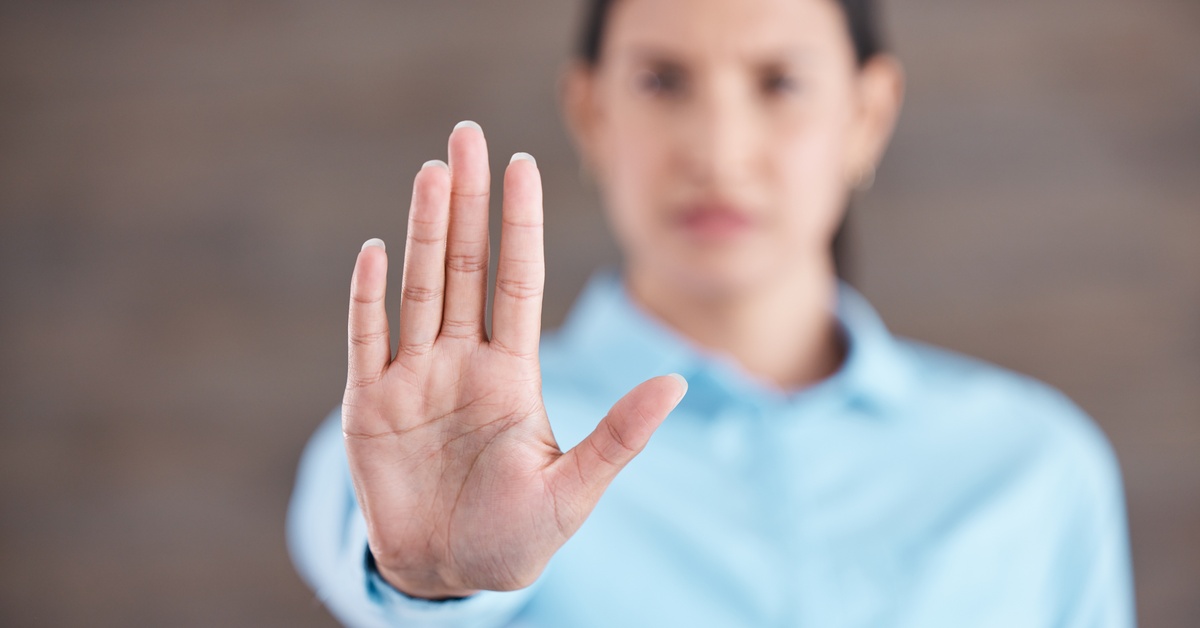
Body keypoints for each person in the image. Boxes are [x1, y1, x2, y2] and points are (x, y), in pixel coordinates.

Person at [287, 0, 1135, 625]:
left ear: (867, 115)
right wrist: (430, 580)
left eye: (781, 82)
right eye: (661, 80)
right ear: (590, 111)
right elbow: (374, 541)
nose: (720, 149)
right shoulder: (433, 444)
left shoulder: (1036, 469)